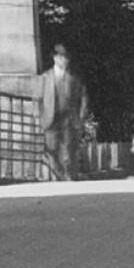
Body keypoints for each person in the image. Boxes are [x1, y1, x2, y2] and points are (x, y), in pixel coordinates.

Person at [36, 44, 89, 182]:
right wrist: (41, 118)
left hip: (69, 119)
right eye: (62, 57)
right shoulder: (45, 77)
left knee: (69, 149)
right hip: (51, 119)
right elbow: (38, 99)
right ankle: (59, 175)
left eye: (67, 58)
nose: (66, 60)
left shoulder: (74, 77)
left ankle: (70, 176)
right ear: (55, 58)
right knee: (51, 149)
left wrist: (81, 117)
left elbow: (83, 97)